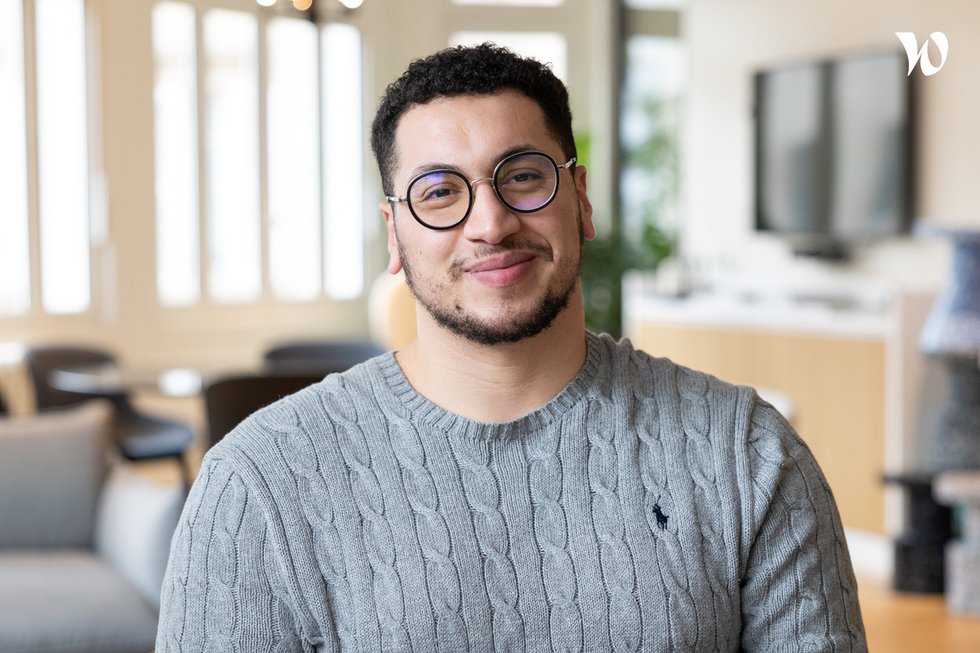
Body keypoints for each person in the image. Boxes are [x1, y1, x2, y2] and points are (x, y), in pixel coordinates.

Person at [156, 43, 867, 652]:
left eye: (522, 176)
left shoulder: (748, 457)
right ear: (395, 232)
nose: (490, 224)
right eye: (439, 192)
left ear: (579, 197)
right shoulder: (258, 485)